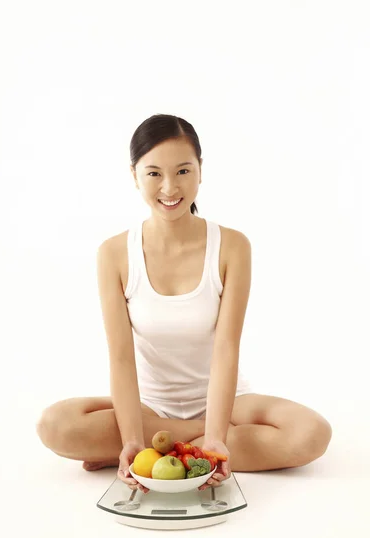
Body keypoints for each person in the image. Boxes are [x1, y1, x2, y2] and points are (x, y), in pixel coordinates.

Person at [36, 113, 333, 495]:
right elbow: (122, 359)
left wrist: (215, 432)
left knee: (312, 435)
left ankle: (158, 452)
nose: (170, 187)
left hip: (227, 406)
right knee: (55, 424)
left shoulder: (233, 246)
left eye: (183, 170)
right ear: (135, 175)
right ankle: (166, 451)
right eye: (154, 173)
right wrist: (130, 434)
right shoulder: (113, 254)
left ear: (200, 171)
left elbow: (226, 349)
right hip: (148, 409)